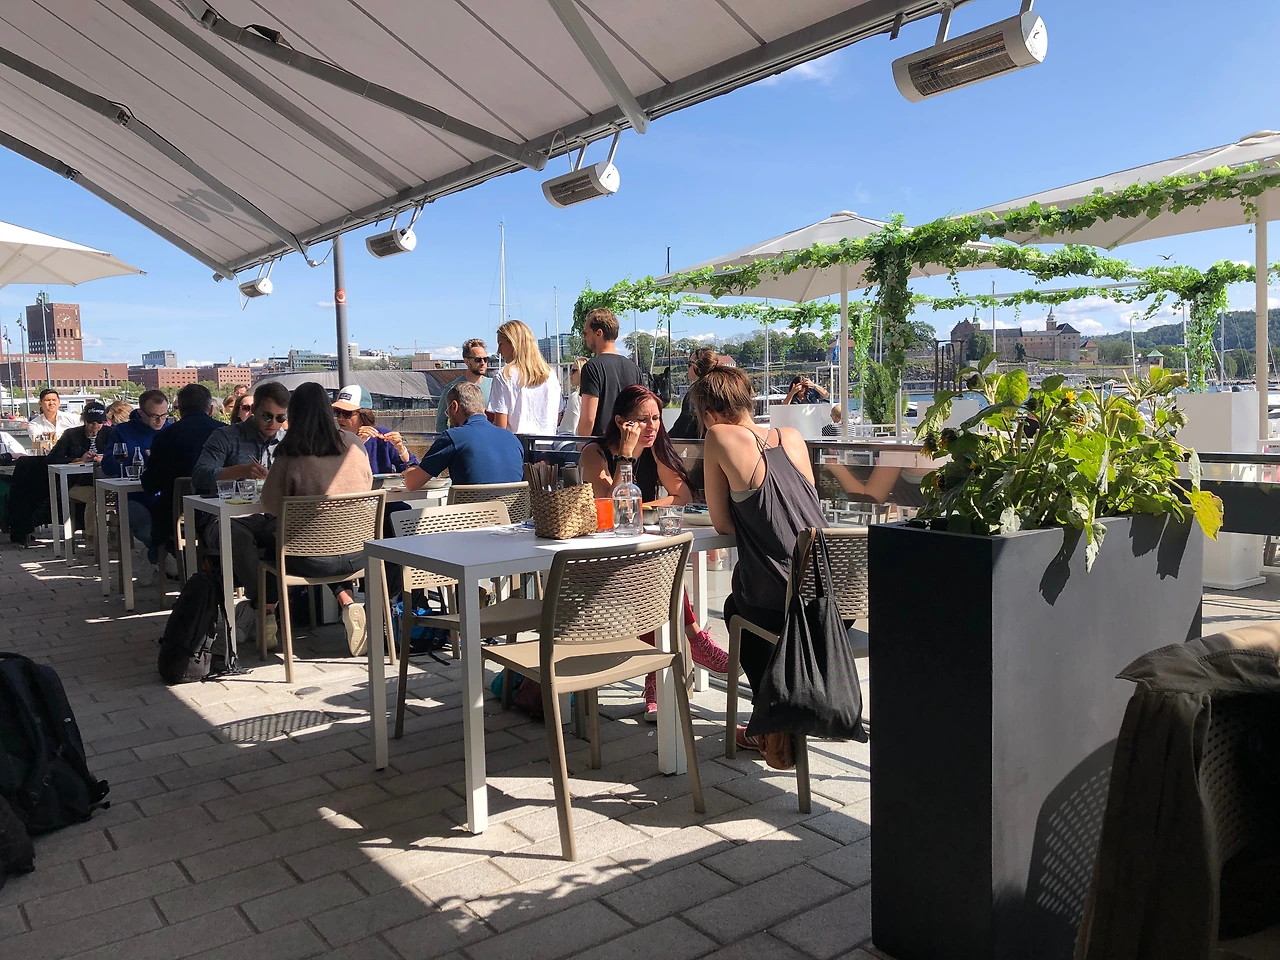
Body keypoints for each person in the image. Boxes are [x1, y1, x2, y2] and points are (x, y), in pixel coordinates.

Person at [692, 365, 825, 757]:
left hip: (786, 601)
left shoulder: (718, 435)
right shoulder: (791, 436)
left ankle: (770, 723)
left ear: (709, 414)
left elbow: (721, 523)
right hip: (831, 596)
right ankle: (775, 717)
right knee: (746, 604)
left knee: (738, 608)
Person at [578, 384, 729, 721]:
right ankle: (694, 642)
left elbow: (681, 496)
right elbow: (610, 506)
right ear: (621, 421)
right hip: (598, 559)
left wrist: (641, 505)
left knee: (658, 568)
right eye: (642, 419)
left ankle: (657, 679)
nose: (652, 426)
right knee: (657, 572)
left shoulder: (655, 448)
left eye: (657, 418)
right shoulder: (595, 453)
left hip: (639, 552)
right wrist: (626, 456)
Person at [261, 381, 374, 656]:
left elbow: (270, 503)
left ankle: (266, 614)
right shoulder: (354, 444)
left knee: (267, 540)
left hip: (309, 559)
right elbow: (368, 485)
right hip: (359, 552)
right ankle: (349, 603)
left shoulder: (290, 452)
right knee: (325, 541)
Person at [192, 380, 289, 646]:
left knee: (289, 534)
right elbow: (199, 475)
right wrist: (239, 471)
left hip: (267, 515)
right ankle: (265, 606)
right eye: (267, 416)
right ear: (253, 410)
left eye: (280, 418)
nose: (273, 423)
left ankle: (261, 610)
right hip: (226, 516)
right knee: (238, 537)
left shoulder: (287, 441)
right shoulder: (226, 436)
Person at [101, 389, 172, 584]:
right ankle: (164, 555)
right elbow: (107, 466)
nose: (160, 421)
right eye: (154, 416)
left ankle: (154, 556)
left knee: (177, 525)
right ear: (141, 413)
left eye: (164, 415)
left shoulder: (172, 429)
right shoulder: (122, 431)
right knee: (144, 525)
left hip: (165, 495)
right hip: (132, 496)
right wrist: (132, 458)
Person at [142, 383, 221, 560]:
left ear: (180, 410)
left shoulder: (165, 436)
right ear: (210, 409)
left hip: (175, 516)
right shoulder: (225, 432)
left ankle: (162, 560)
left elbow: (150, 484)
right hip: (217, 512)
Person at [404, 382, 524, 490]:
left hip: (470, 508)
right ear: (482, 408)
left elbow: (412, 484)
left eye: (447, 412)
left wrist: (410, 469)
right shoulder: (513, 440)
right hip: (510, 508)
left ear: (454, 406)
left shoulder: (453, 437)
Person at [49, 400, 112, 541]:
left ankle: (116, 537)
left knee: (118, 496)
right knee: (95, 496)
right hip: (77, 483)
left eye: (99, 422)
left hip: (106, 481)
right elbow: (52, 458)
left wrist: (105, 458)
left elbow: (120, 453)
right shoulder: (71, 434)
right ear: (84, 421)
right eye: (91, 422)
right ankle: (92, 539)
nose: (95, 426)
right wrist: (78, 459)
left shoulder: (110, 433)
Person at [577, 307, 643, 437]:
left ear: (598, 333)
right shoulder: (634, 368)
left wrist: (581, 445)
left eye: (585, 333)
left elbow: (588, 419)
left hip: (602, 443)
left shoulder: (592, 367)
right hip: (629, 442)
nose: (584, 337)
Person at [488, 320, 560, 434]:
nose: (498, 351)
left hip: (516, 443)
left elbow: (501, 427)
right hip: (547, 442)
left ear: (513, 344)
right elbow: (558, 415)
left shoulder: (504, 376)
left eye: (500, 344)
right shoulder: (550, 375)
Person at [332, 385, 418, 475]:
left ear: (363, 415)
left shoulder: (382, 437)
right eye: (337, 412)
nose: (340, 418)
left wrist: (401, 450)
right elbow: (335, 473)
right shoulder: (332, 440)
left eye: (346, 413)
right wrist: (358, 443)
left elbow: (413, 470)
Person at [436, 339, 493, 433]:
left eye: (485, 359)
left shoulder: (494, 386)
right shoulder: (452, 388)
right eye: (478, 360)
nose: (483, 363)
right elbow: (441, 423)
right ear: (466, 361)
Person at [669, 347, 718, 439]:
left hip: (699, 444)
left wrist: (664, 441)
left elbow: (683, 427)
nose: (687, 367)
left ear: (697, 366)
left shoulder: (696, 393)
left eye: (689, 364)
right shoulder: (718, 389)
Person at [558, 358, 587, 434]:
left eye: (573, 371)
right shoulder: (596, 396)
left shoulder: (575, 397)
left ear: (582, 372)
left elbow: (567, 430)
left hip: (578, 439)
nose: (570, 374)